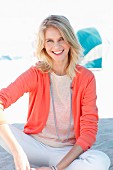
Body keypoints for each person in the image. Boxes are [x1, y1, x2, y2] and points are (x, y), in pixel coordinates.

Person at [0, 15, 110, 170]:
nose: (56, 46)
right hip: (34, 147)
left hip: (66, 152)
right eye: (49, 41)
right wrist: (17, 152)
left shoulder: (86, 78)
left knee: (101, 160)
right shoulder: (36, 73)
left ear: (70, 40)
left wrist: (55, 169)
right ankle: (28, 161)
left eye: (61, 39)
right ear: (43, 45)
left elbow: (89, 131)